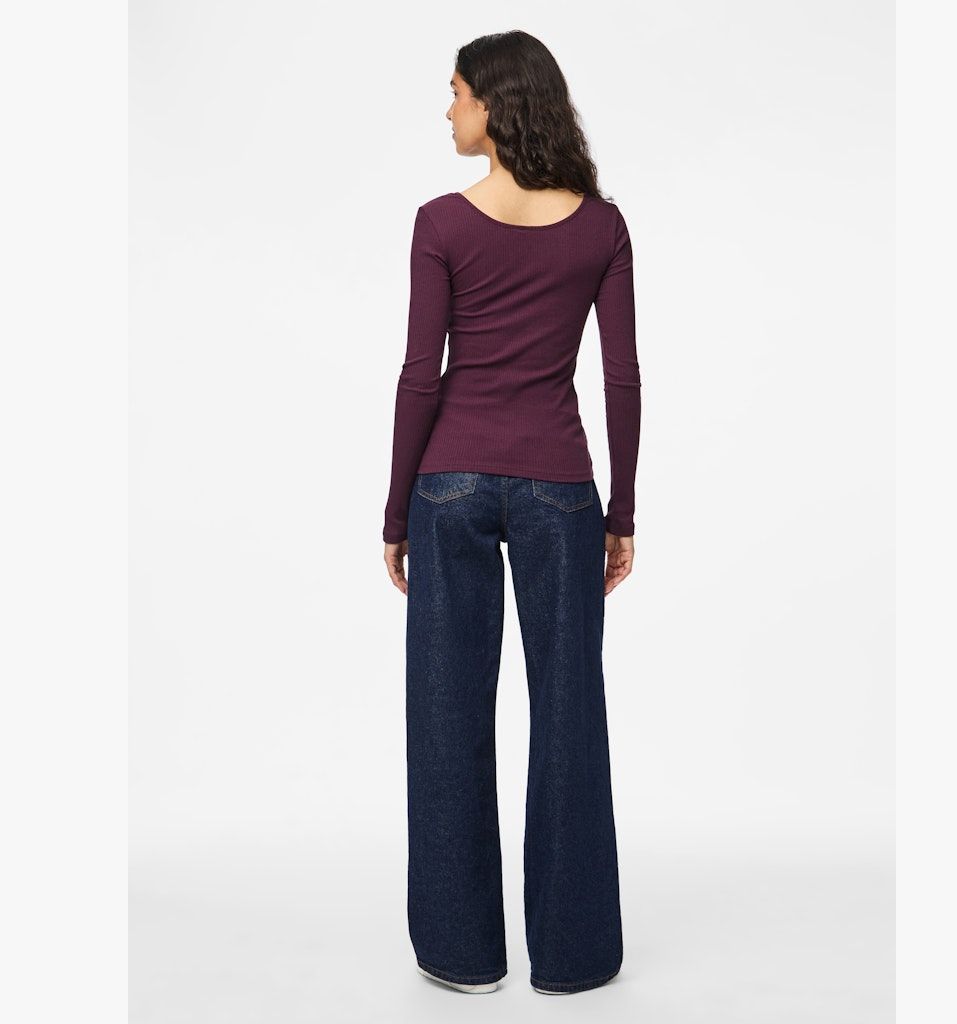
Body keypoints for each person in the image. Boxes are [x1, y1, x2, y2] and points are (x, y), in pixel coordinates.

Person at [381, 30, 641, 996]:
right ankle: (574, 958)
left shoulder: (441, 223)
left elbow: (422, 376)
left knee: (447, 713)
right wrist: (622, 510)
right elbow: (621, 378)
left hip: (448, 483)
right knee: (571, 712)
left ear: (493, 104)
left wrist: (395, 512)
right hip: (560, 487)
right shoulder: (601, 228)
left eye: (456, 92)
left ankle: (462, 955)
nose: (447, 109)